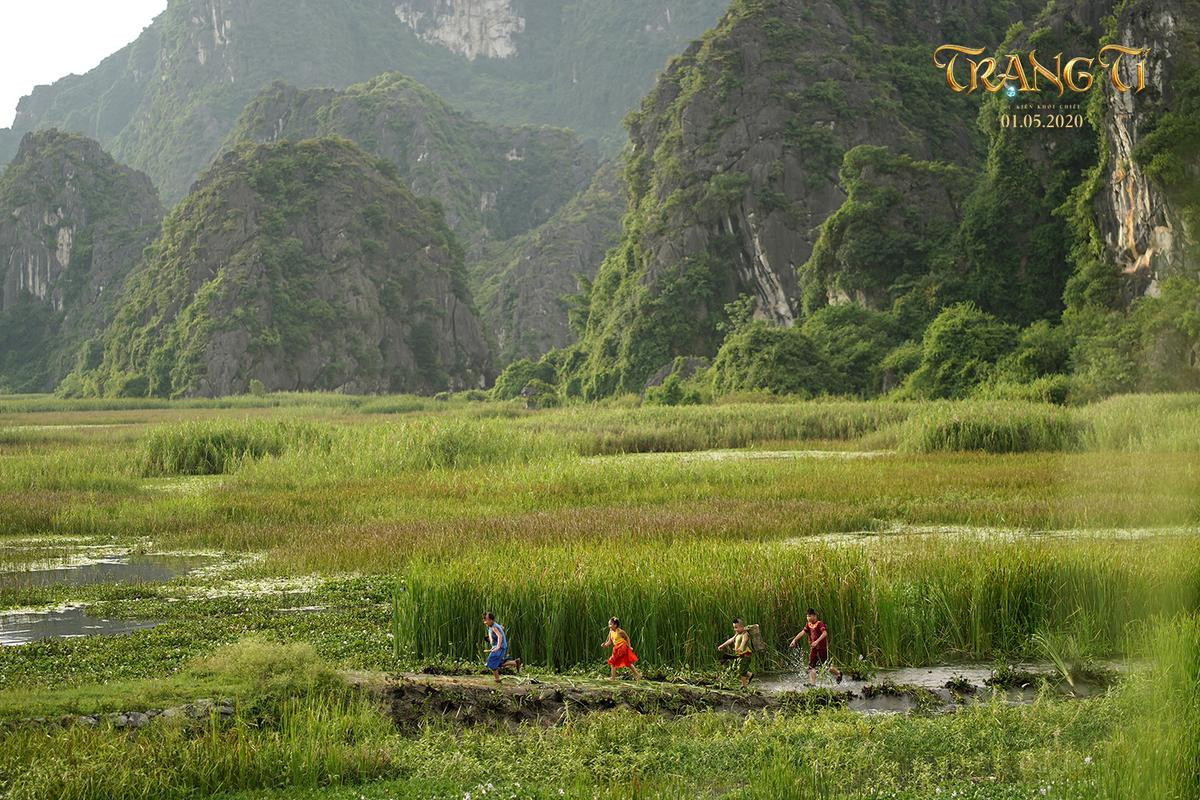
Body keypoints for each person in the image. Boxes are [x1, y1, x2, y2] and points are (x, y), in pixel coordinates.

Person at [789, 608, 842, 684]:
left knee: (826, 666)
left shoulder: (820, 624)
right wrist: (794, 640)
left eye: (810, 616)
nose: (808, 618)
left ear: (814, 616)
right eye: (807, 616)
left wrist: (817, 641)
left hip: (821, 649)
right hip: (813, 649)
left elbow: (825, 633)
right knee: (811, 667)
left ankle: (838, 673)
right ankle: (812, 684)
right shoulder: (808, 625)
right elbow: (802, 632)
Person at [482, 611, 521, 684]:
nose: (484, 622)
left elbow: (500, 636)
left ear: (491, 620)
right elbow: (499, 630)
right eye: (484, 619)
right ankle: (514, 663)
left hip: (499, 647)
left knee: (491, 662)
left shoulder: (494, 627)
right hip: (497, 647)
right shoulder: (492, 626)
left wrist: (497, 647)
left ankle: (497, 680)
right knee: (497, 663)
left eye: (486, 620)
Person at [717, 618, 756, 687]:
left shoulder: (745, 634)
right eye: (734, 628)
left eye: (736, 627)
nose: (735, 629)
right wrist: (722, 646)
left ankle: (744, 685)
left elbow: (744, 640)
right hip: (739, 655)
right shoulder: (737, 634)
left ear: (742, 626)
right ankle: (750, 675)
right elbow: (731, 640)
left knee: (741, 669)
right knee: (735, 668)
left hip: (745, 654)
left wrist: (741, 647)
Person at [602, 617, 643, 681]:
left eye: (610, 624)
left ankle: (612, 678)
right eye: (608, 624)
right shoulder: (611, 632)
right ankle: (638, 675)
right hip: (616, 648)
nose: (609, 626)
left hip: (622, 648)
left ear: (615, 625)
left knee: (612, 662)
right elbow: (610, 642)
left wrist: (629, 646)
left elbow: (627, 638)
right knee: (627, 663)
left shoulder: (620, 632)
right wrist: (605, 645)